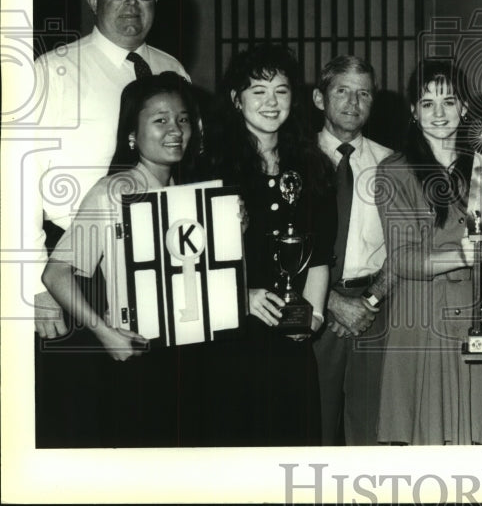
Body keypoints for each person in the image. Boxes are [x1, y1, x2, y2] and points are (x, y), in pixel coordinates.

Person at [31, 0, 190, 446]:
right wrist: (33, 287)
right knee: (84, 424)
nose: (130, 2)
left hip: (158, 267)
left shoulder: (171, 70)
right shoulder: (49, 72)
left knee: (155, 420)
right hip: (76, 272)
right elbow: (11, 183)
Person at [41, 72, 204, 446]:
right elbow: (56, 273)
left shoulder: (190, 193)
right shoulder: (113, 191)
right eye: (159, 120)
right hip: (137, 355)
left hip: (191, 357)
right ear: (132, 134)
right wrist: (103, 332)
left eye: (182, 119)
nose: (175, 129)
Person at [205, 44, 333, 446]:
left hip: (290, 341)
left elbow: (321, 254)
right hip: (230, 338)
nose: (271, 101)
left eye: (281, 90)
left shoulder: (313, 165)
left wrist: (310, 321)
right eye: (258, 90)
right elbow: (188, 263)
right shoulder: (208, 166)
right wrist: (240, 297)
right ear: (235, 99)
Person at [374, 60, 482, 445]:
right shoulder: (394, 170)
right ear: (413, 111)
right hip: (422, 315)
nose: (439, 113)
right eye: (427, 103)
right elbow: (404, 258)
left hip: (478, 308)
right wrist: (465, 255)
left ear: (465, 108)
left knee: (478, 445)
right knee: (426, 445)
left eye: (448, 102)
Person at [311, 55, 393, 445]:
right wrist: (329, 301)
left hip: (374, 311)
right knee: (316, 427)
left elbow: (406, 246)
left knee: (371, 431)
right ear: (318, 98)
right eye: (341, 91)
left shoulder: (391, 164)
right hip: (312, 307)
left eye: (364, 94)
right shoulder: (296, 158)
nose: (352, 103)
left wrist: (370, 302)